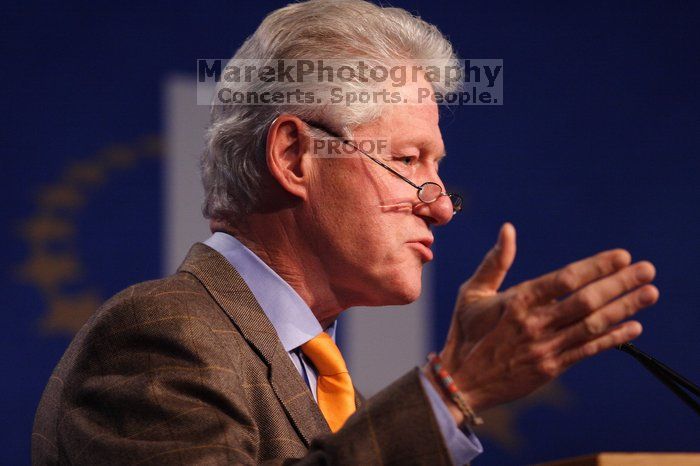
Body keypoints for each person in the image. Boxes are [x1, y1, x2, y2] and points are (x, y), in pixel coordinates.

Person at [32, 0, 659, 464]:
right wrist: (452, 391)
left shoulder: (324, 384)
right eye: (409, 161)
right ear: (295, 157)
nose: (440, 208)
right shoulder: (160, 337)